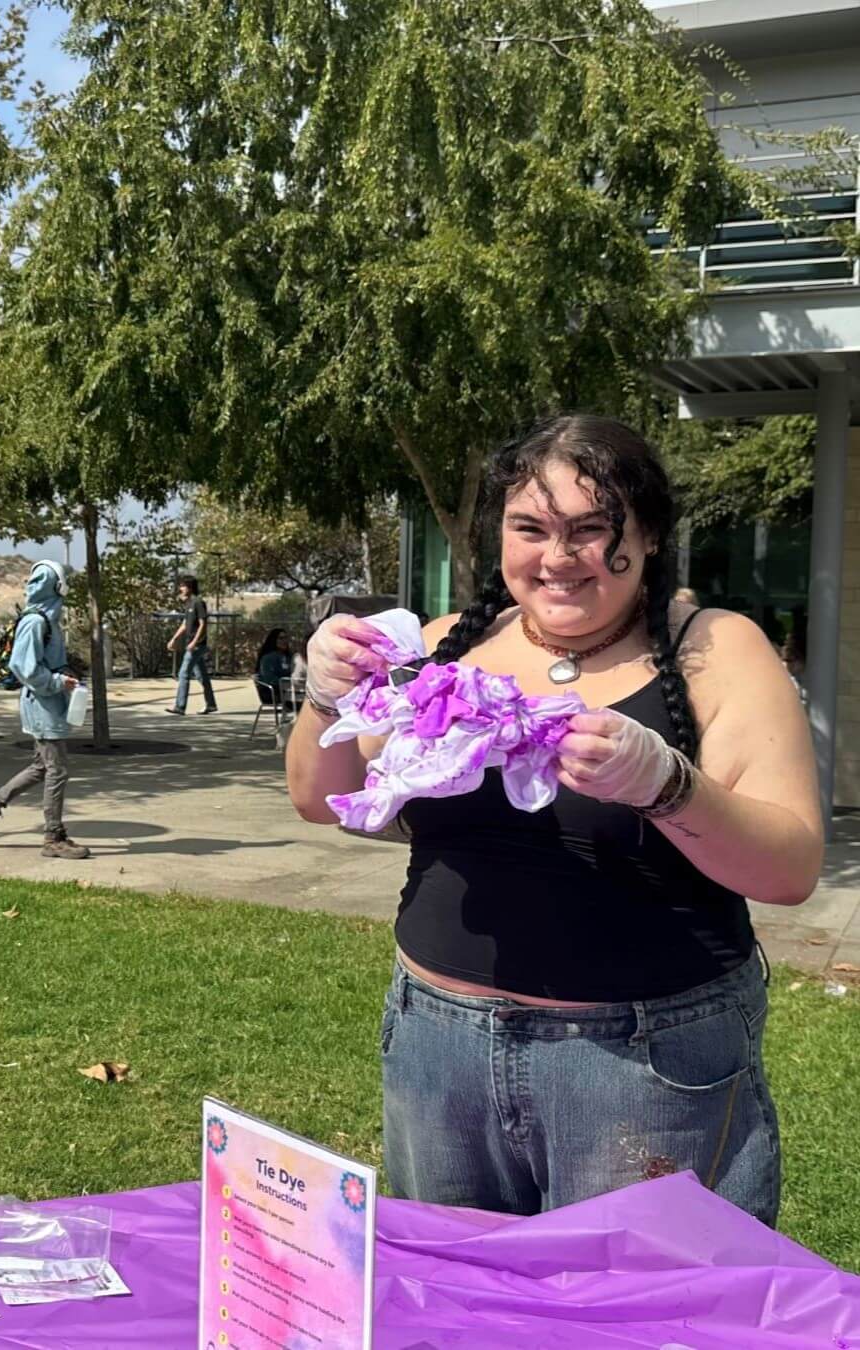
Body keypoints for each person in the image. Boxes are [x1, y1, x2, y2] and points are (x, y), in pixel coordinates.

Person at [287, 413, 821, 1226]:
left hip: (644, 1061)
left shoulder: (718, 649)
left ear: (644, 536)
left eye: (590, 531)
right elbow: (320, 798)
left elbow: (788, 869)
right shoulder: (445, 648)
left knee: (640, 1320)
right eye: (530, 528)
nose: (557, 557)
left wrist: (668, 784)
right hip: (437, 1044)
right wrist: (324, 692)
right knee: (467, 1313)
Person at [0, 562, 91, 860]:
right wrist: (58, 681)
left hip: (47, 701)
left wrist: (64, 675)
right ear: (57, 587)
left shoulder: (44, 620)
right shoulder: (36, 622)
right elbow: (24, 667)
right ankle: (53, 837)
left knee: (41, 767)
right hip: (42, 703)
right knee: (57, 769)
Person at [166, 575, 217, 714]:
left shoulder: (198, 602)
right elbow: (185, 624)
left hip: (197, 645)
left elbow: (203, 624)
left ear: (189, 587)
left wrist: (195, 641)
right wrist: (174, 639)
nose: (180, 589)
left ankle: (180, 706)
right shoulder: (188, 604)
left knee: (183, 674)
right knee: (202, 676)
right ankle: (211, 704)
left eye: (182, 586)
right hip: (191, 643)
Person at [255, 628, 295, 705]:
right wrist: (289, 684)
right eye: (281, 638)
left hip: (289, 690)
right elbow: (270, 679)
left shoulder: (290, 657)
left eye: (286, 638)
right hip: (272, 693)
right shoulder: (267, 658)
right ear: (273, 640)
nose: (285, 641)